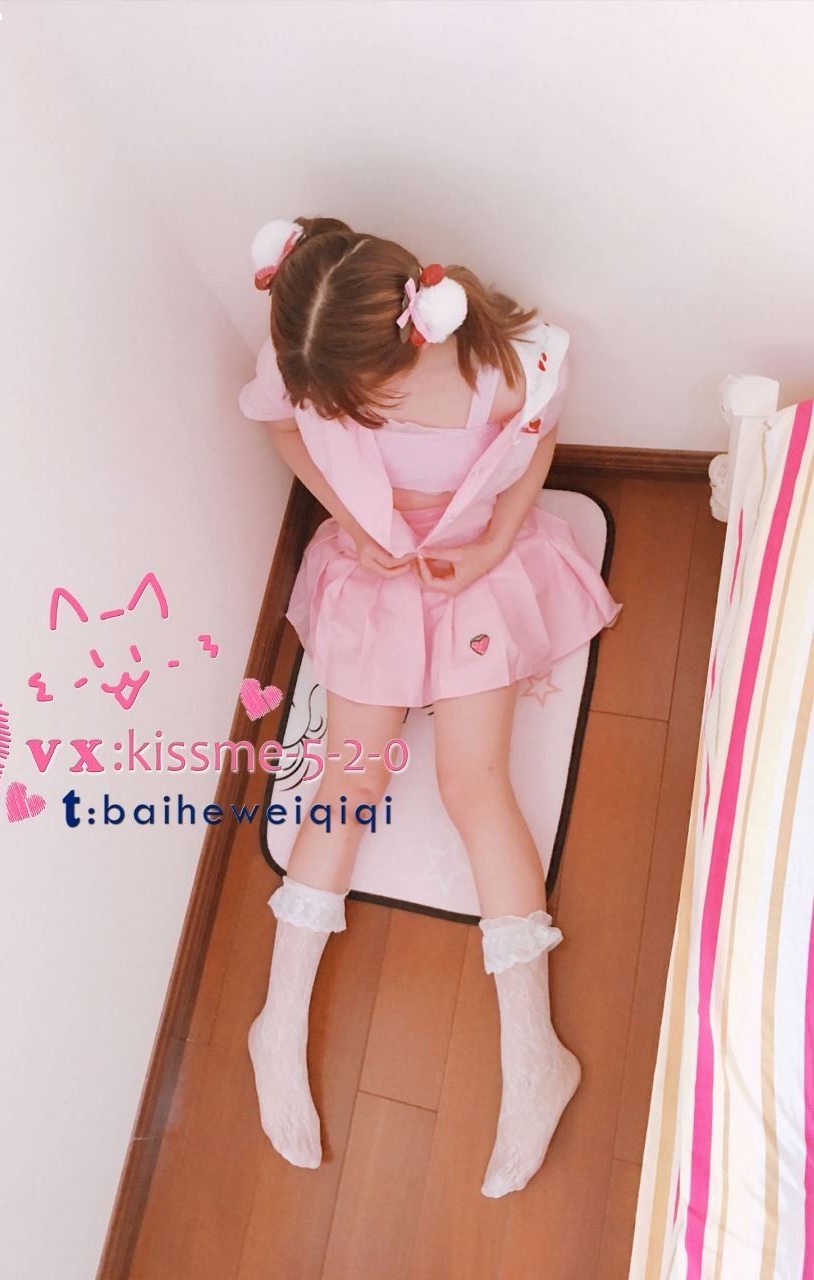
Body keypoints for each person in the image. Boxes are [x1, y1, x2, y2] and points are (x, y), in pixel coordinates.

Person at [237, 216, 623, 1198]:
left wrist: (490, 548)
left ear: (417, 340)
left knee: (472, 781)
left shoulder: (503, 368)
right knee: (347, 777)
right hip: (376, 571)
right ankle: (277, 1021)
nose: (353, 418)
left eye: (368, 403)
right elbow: (282, 427)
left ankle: (532, 1052)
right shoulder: (310, 357)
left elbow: (537, 445)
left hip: (471, 571)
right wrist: (348, 518)